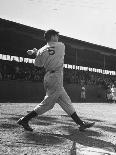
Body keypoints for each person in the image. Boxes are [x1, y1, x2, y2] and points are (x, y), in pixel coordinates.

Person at [17, 29, 95, 132]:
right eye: (56, 35)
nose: (58, 37)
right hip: (56, 77)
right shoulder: (61, 46)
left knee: (66, 101)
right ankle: (25, 120)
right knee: (47, 104)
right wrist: (38, 52)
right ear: (53, 36)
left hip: (49, 77)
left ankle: (81, 123)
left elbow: (38, 64)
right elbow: (52, 52)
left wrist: (36, 52)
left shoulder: (42, 50)